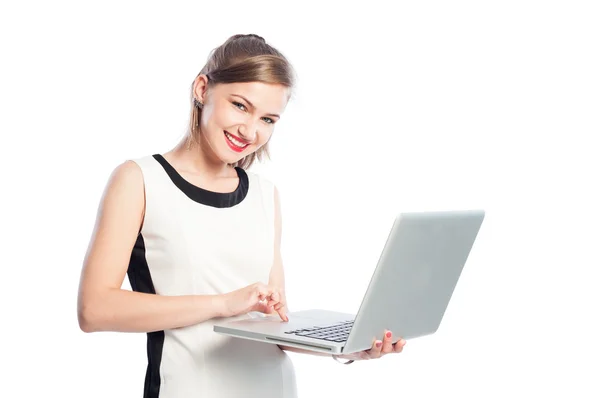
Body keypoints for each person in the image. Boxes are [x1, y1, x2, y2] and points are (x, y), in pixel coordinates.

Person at [76, 33, 406, 398]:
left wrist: (349, 347)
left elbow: (271, 329)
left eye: (268, 119)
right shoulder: (140, 180)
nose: (250, 131)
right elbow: (95, 308)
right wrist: (222, 304)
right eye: (240, 106)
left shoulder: (266, 196)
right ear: (202, 89)